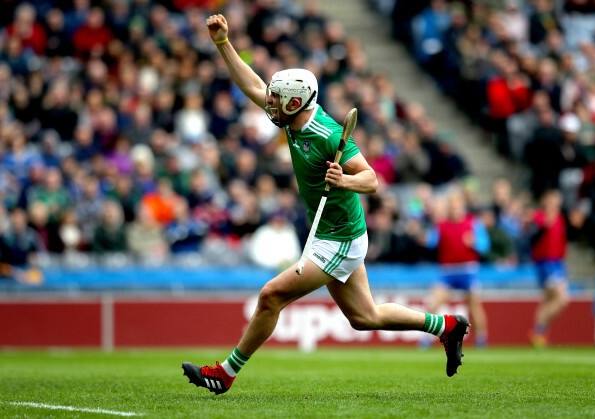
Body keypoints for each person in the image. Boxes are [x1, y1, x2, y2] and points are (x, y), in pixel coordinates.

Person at [181, 14, 471, 395]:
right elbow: (253, 85)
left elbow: (372, 178)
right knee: (365, 317)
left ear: (296, 102)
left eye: (277, 99)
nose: (269, 103)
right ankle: (446, 326)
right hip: (334, 231)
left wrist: (344, 179)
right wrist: (223, 43)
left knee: (270, 296)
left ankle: (225, 373)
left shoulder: (326, 133)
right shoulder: (289, 118)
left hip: (340, 238)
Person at [421, 192, 490, 348]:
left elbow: (485, 246)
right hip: (447, 272)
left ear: (462, 207)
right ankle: (426, 340)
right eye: (451, 206)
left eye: (457, 206)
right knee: (434, 302)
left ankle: (481, 339)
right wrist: (424, 236)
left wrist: (475, 243)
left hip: (468, 270)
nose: (454, 209)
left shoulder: (473, 223)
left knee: (474, 305)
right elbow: (431, 242)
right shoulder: (441, 224)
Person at [527, 189, 570, 347]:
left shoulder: (559, 217)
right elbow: (531, 235)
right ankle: (539, 330)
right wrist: (541, 225)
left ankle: (539, 334)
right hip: (546, 263)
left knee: (547, 300)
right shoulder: (538, 217)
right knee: (562, 299)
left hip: (558, 262)